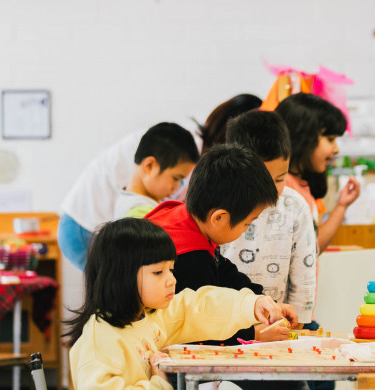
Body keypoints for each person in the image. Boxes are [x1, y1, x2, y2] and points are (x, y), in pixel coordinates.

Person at [145, 145, 334, 390]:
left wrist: (264, 301)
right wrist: (255, 332)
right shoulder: (189, 255)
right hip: (189, 350)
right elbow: (199, 329)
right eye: (246, 224)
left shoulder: (179, 216)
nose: (246, 231)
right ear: (219, 217)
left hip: (198, 346)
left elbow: (224, 273)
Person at [65, 218, 296, 390]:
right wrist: (161, 382)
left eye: (171, 269)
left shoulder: (150, 317)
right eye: (158, 272)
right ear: (121, 276)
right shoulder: (98, 339)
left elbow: (195, 307)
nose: (171, 280)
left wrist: (252, 305)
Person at [217, 112, 333, 390]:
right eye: (262, 180)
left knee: (316, 388)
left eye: (280, 179)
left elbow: (305, 269)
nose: (271, 189)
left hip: (281, 321)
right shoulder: (221, 202)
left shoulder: (294, 206)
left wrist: (301, 321)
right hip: (227, 324)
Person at [58, 94, 262, 271]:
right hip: (82, 225)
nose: (176, 187)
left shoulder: (176, 154)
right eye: (176, 180)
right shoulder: (142, 206)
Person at [273, 93, 359, 253]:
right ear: (305, 137)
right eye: (330, 139)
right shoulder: (283, 189)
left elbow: (313, 248)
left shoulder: (300, 186)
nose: (336, 149)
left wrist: (342, 205)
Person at [113, 122, 200, 219]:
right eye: (176, 178)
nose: (176, 187)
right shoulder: (140, 213)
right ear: (149, 165)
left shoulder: (128, 198)